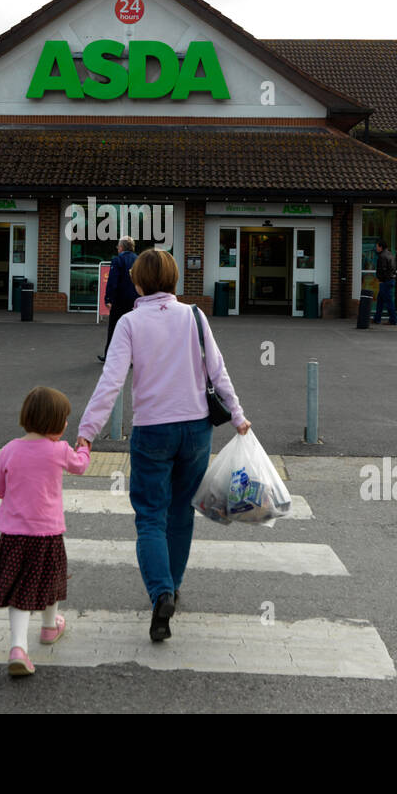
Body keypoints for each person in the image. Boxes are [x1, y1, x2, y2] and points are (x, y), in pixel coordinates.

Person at [76, 248, 249, 643]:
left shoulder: (129, 323)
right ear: (173, 280)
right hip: (196, 429)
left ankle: (161, 593)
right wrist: (237, 417)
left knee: (150, 516)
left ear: (137, 282)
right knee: (180, 511)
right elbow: (217, 372)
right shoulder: (195, 316)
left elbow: (112, 381)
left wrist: (88, 430)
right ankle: (173, 583)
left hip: (153, 431)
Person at [0, 386, 91, 676]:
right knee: (50, 579)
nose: (66, 424)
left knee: (19, 590)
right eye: (64, 419)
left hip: (14, 535)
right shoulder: (59, 450)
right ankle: (45, 630)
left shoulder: (10, 449)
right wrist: (85, 446)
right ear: (53, 422)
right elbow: (80, 467)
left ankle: (21, 643)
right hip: (48, 534)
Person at [98, 236, 138, 363]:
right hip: (135, 300)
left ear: (121, 247)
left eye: (117, 246)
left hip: (120, 300)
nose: (117, 249)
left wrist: (108, 298)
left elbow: (113, 281)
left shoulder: (118, 260)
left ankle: (109, 356)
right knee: (133, 329)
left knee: (114, 328)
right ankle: (132, 358)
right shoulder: (139, 260)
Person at [372, 240, 397, 325]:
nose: (376, 248)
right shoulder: (390, 254)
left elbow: (383, 270)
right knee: (380, 301)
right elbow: (393, 268)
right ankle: (377, 319)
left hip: (385, 281)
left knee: (388, 301)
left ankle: (393, 320)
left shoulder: (382, 256)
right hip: (390, 280)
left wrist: (381, 279)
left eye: (377, 246)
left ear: (381, 247)